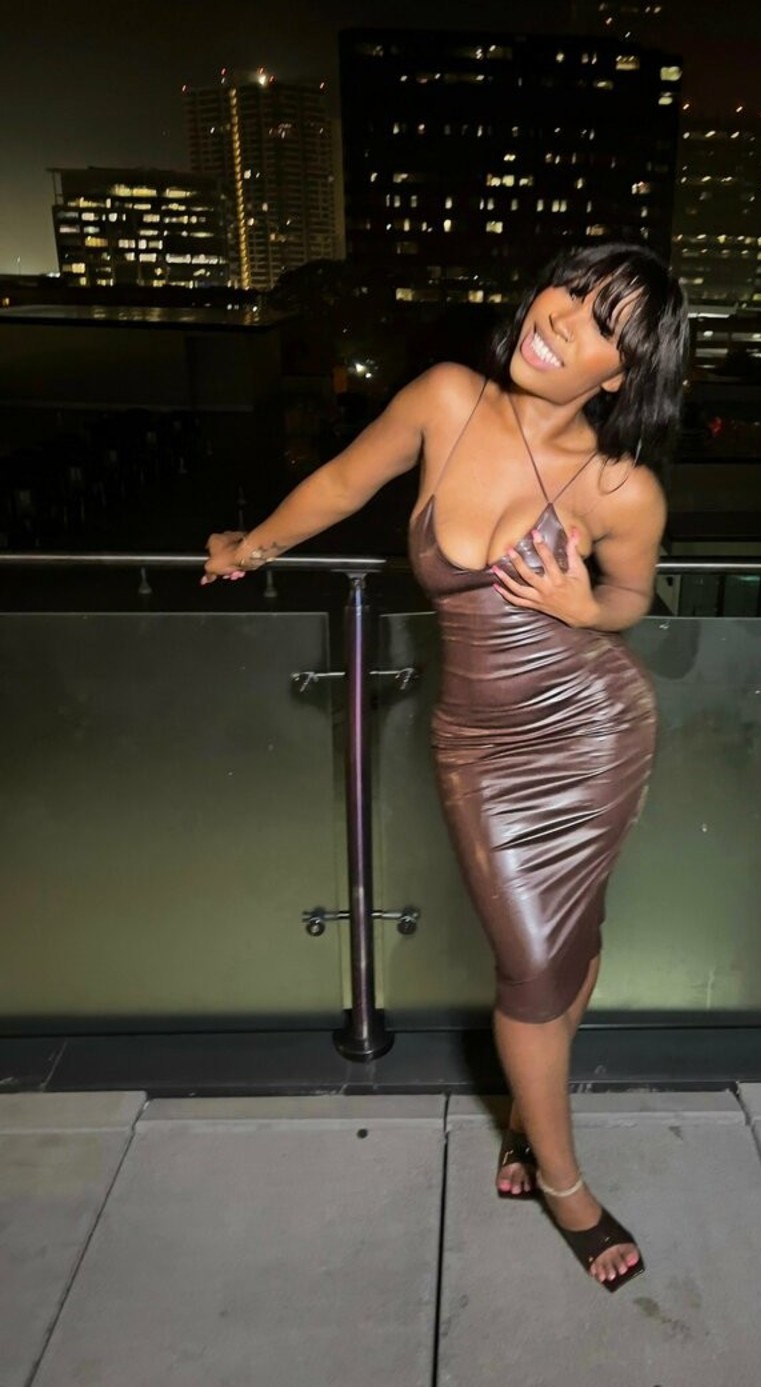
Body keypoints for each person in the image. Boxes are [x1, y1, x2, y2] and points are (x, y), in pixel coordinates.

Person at [202, 240, 689, 1293]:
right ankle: (550, 1152)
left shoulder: (624, 487)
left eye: (601, 324)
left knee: (564, 945)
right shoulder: (447, 400)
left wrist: (583, 604)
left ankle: (547, 1161)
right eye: (569, 290)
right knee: (532, 961)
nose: (560, 318)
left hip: (594, 731)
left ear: (621, 375)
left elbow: (630, 599)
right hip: (481, 747)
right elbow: (342, 483)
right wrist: (254, 546)